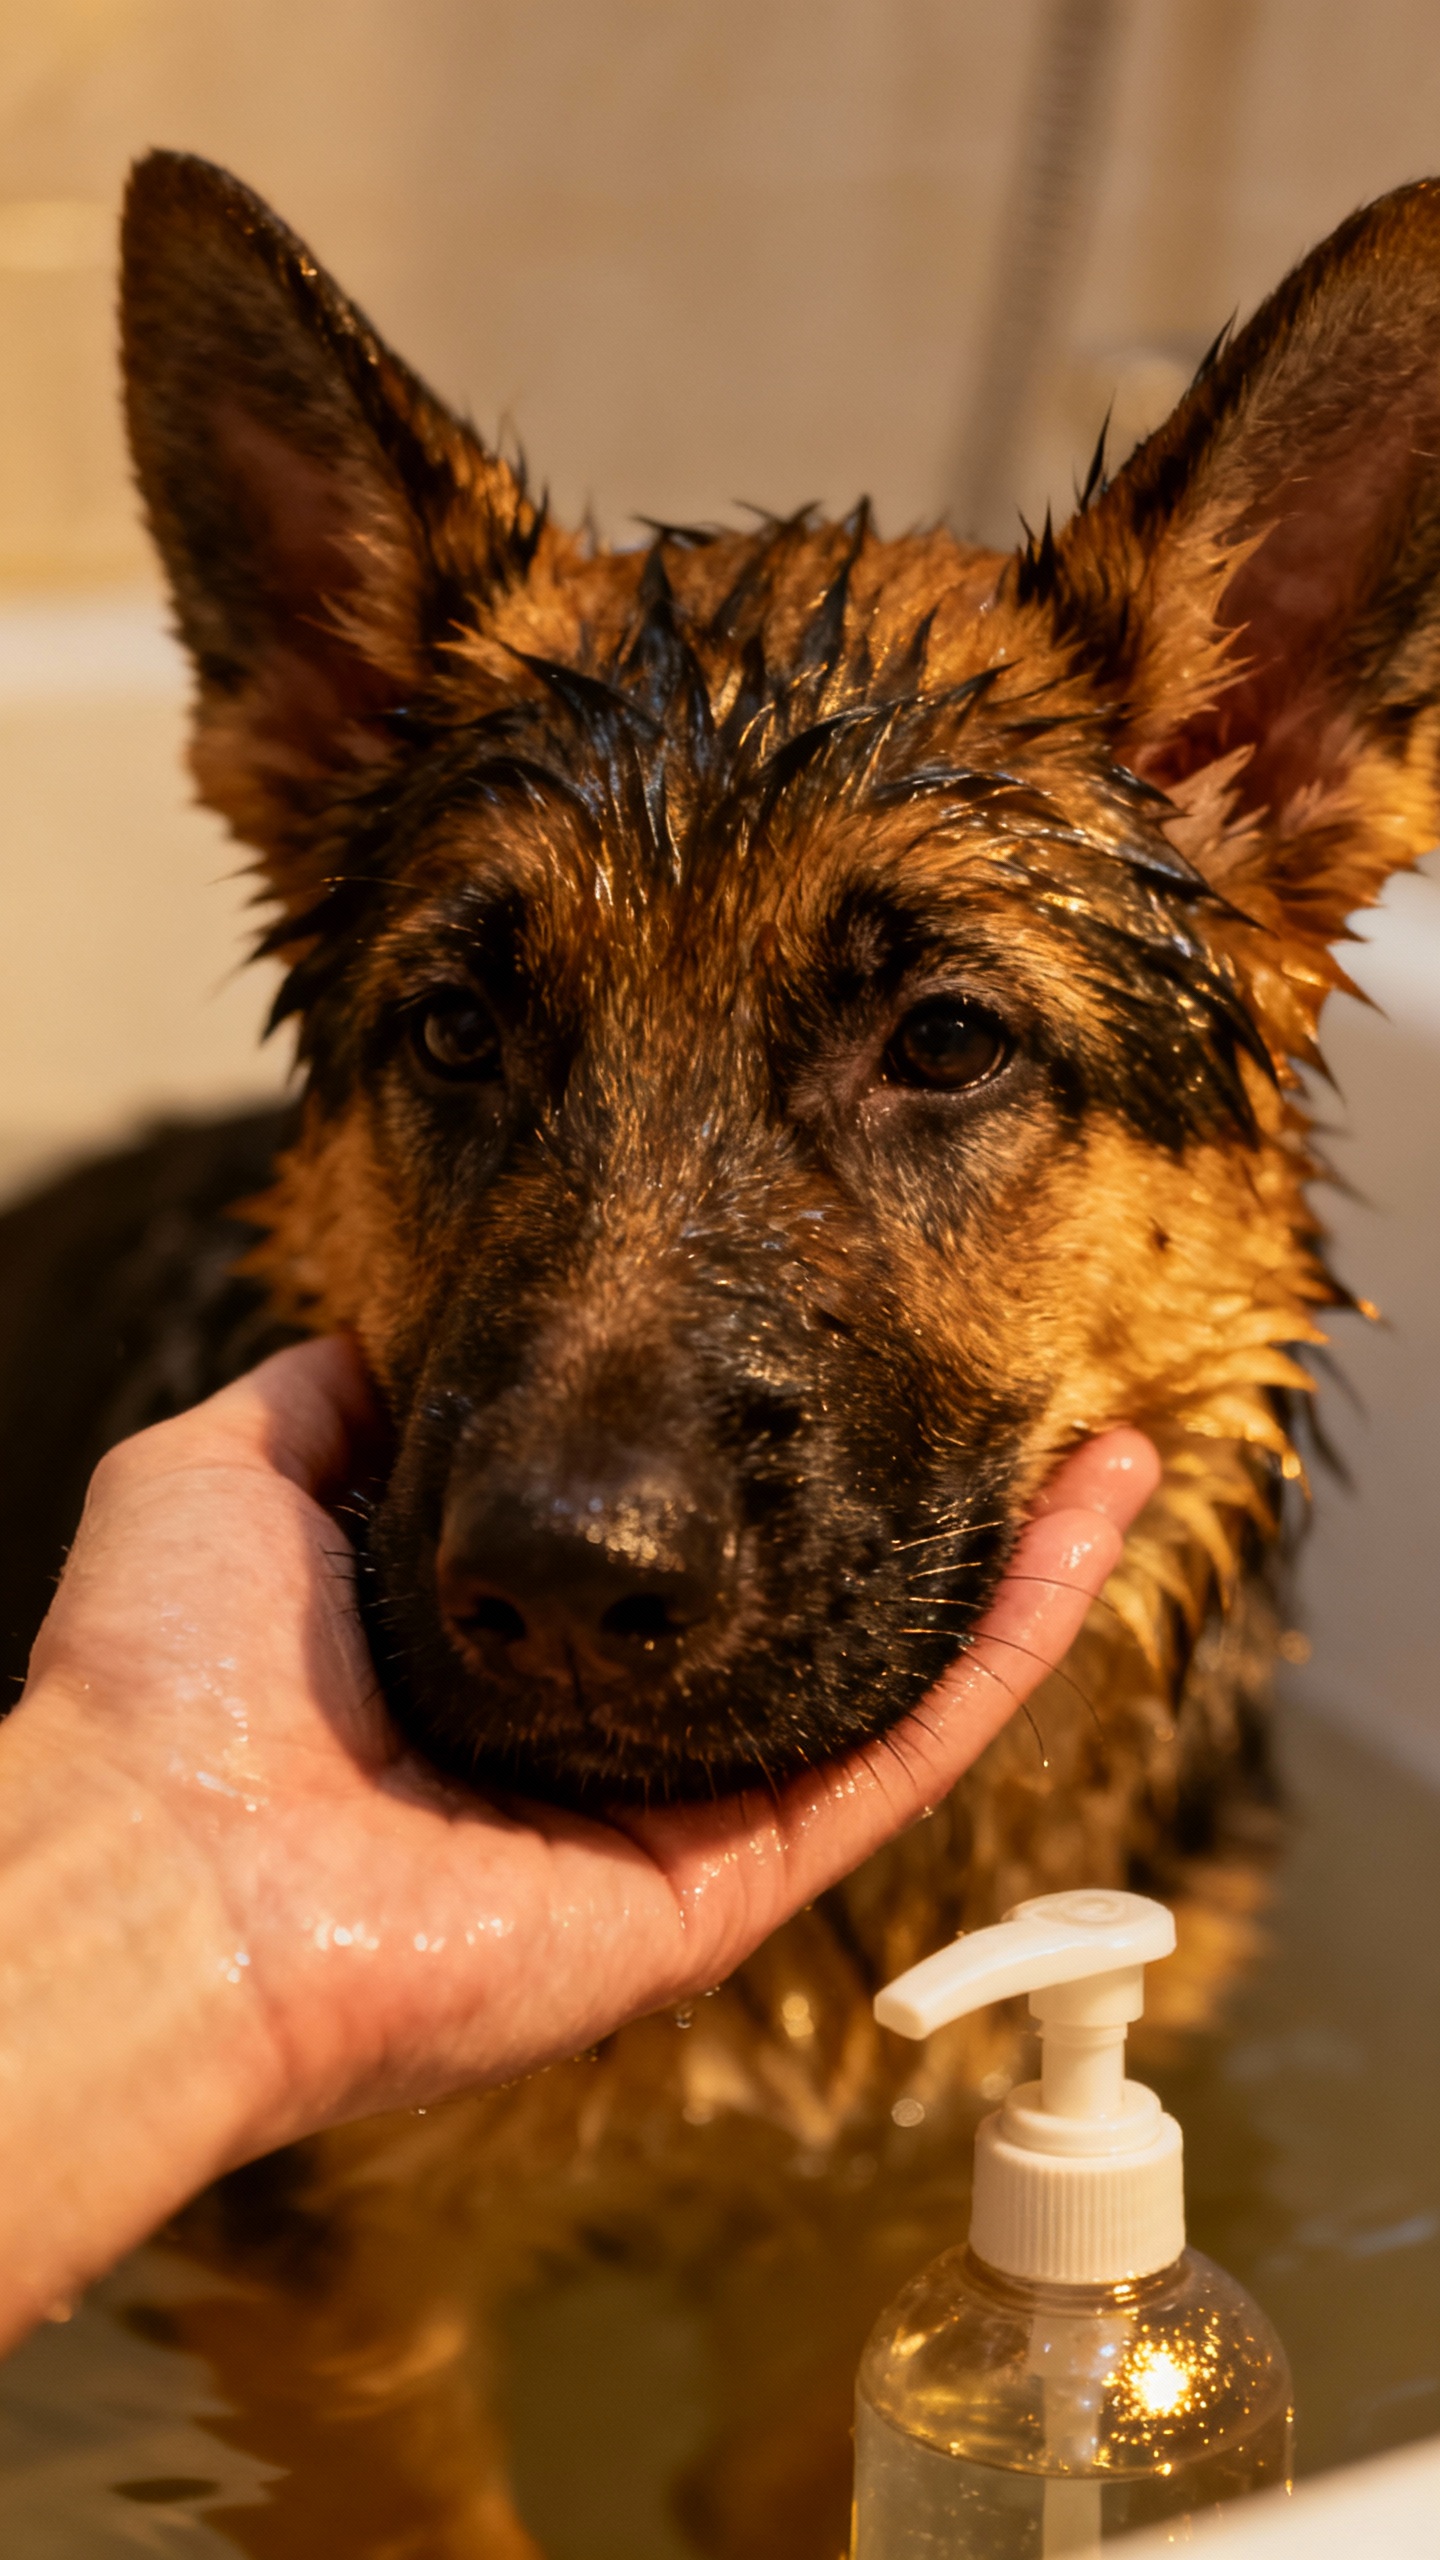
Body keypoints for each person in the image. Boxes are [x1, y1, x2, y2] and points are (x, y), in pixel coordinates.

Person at [0, 1336, 1157, 2357]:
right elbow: (287, 2310)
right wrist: (179, 1855)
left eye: (940, 1070)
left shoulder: (1167, 1863)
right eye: (462, 1069)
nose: (592, 1550)